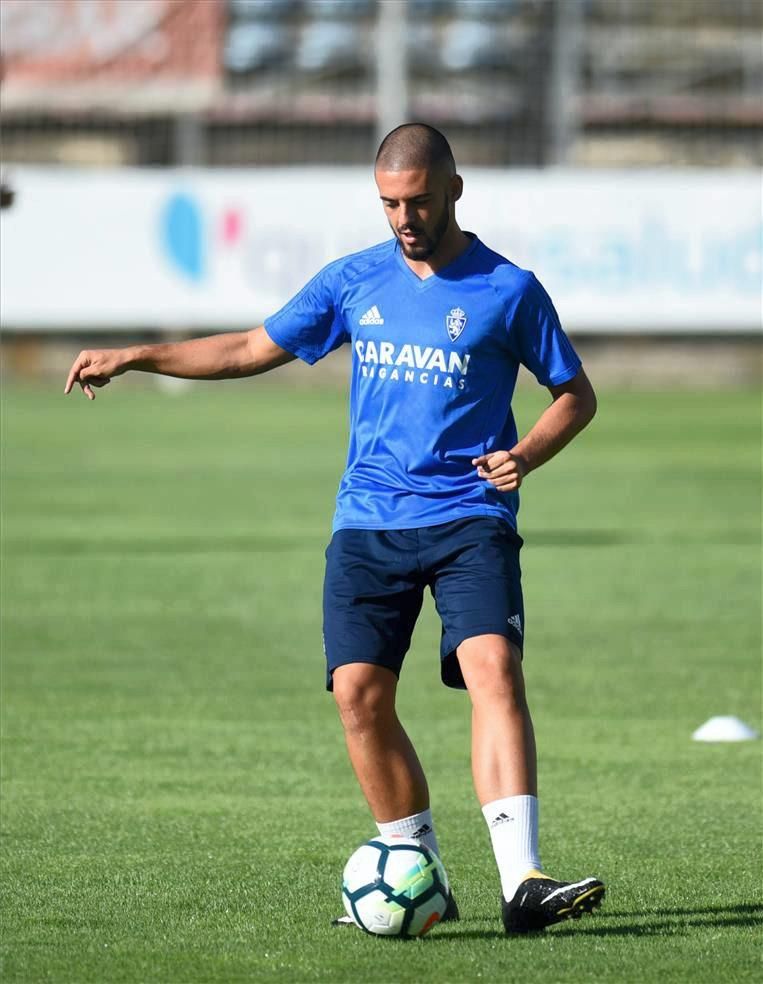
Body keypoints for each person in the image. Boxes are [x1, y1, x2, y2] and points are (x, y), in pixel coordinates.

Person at [65, 124, 604, 935]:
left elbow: (574, 393)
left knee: (491, 667)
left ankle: (521, 879)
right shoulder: (355, 281)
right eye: (388, 202)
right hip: (368, 521)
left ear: (454, 189)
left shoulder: (508, 289)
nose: (403, 218)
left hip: (468, 518)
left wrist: (524, 454)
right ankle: (414, 865)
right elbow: (250, 346)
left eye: (417, 200)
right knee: (357, 693)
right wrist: (140, 354)